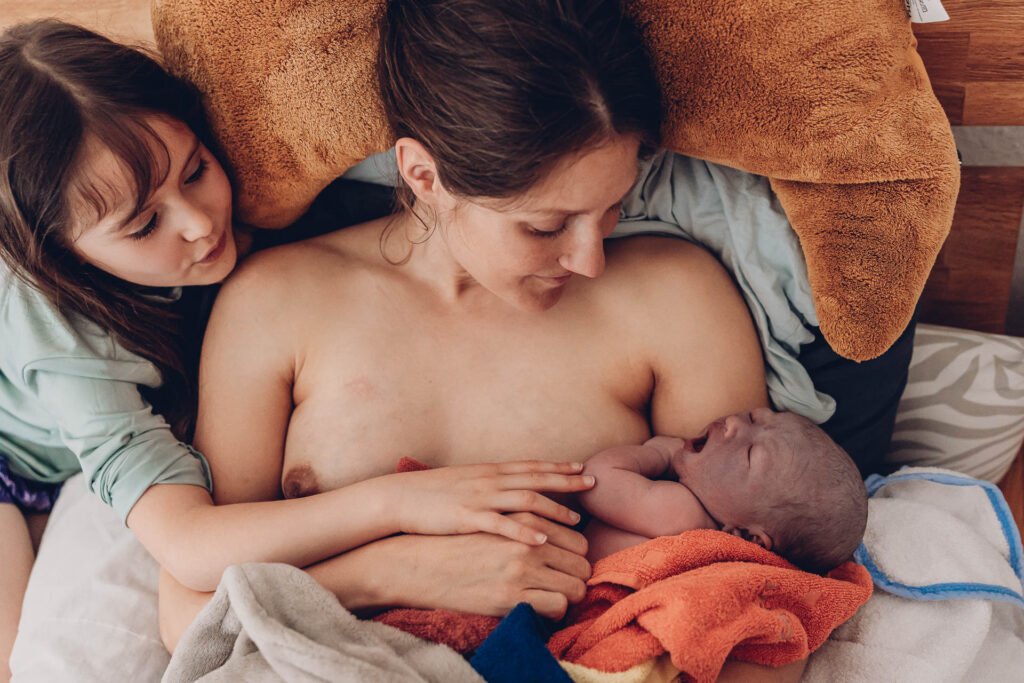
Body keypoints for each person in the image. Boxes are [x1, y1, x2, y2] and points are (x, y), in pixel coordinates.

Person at [160, 0, 805, 679]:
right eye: (544, 226)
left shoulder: (677, 300)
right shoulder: (275, 305)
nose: (590, 259)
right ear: (423, 174)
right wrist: (387, 571)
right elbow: (187, 611)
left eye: (613, 205)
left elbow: (755, 605)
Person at [0, 19, 595, 680]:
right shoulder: (61, 346)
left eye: (196, 170)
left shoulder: (262, 199)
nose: (199, 222)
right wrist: (399, 505)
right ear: (64, 258)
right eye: (145, 224)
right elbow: (192, 546)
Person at [579, 408, 868, 572]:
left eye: (750, 454)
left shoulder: (680, 514)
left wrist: (660, 453)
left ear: (748, 537)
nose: (734, 423)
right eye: (756, 418)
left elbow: (594, 481)